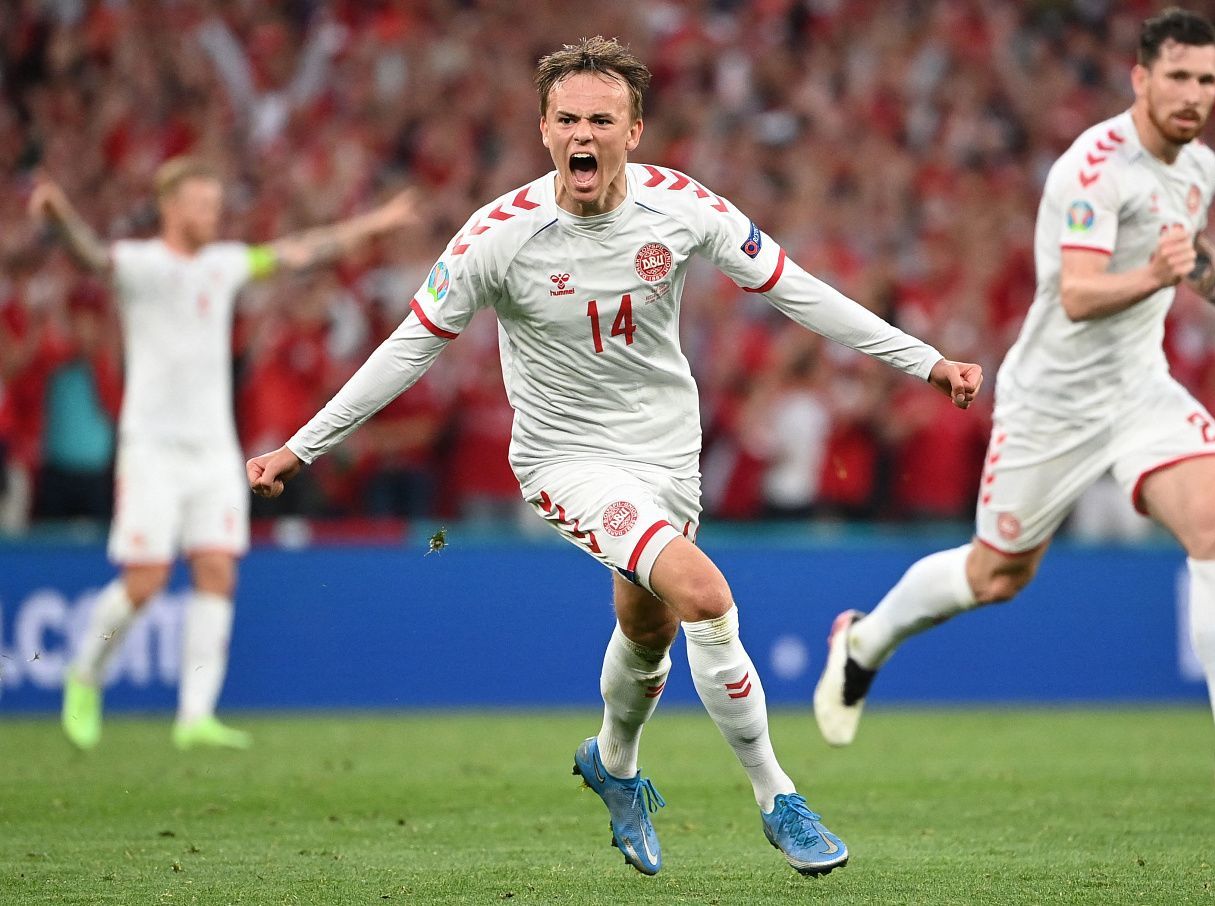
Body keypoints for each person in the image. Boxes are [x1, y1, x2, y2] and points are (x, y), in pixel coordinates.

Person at [247, 37, 982, 876]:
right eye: (567, 120)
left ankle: (613, 764)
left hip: (667, 454)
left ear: (634, 131)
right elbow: (410, 347)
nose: (582, 135)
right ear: (543, 129)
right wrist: (303, 446)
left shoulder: (682, 208)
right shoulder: (498, 236)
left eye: (601, 120)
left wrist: (925, 361)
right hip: (565, 459)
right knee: (705, 595)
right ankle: (778, 797)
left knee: (649, 629)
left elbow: (797, 290)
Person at [813, 8, 1215, 800]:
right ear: (1140, 78)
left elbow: (1186, 251)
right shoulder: (1092, 168)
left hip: (1139, 389)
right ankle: (863, 643)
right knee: (994, 576)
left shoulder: (1199, 166)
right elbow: (1081, 293)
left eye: (1207, 79)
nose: (1193, 94)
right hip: (1051, 401)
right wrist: (1156, 275)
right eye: (1177, 77)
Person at [29, 157, 417, 751]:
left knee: (217, 571)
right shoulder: (140, 264)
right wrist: (58, 217)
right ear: (171, 207)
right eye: (203, 204)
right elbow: (89, 256)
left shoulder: (225, 264)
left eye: (216, 204)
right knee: (145, 582)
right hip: (152, 449)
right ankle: (85, 675)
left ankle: (195, 716)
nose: (214, 215)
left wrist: (374, 223)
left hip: (214, 450)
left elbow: (298, 251)